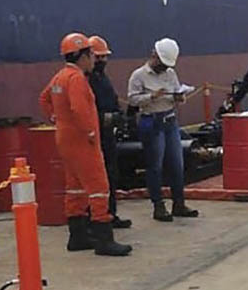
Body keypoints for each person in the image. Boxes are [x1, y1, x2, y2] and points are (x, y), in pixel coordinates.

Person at [39, 32, 132, 256]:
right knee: (99, 188)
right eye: (91, 54)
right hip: (83, 142)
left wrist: (56, 119)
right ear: (82, 56)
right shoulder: (77, 79)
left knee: (75, 188)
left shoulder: (60, 77)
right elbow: (80, 109)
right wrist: (90, 132)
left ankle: (77, 235)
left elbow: (44, 99)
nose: (94, 59)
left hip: (65, 139)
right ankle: (104, 239)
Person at [128, 37, 199, 222]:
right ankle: (158, 206)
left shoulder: (170, 73)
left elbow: (176, 92)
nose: (165, 68)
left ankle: (179, 203)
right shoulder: (138, 76)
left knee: (177, 164)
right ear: (155, 56)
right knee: (155, 166)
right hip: (151, 122)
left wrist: (179, 97)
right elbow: (132, 99)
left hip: (169, 120)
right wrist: (151, 96)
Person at [86, 35, 131, 229]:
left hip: (107, 134)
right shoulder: (83, 79)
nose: (102, 61)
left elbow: (111, 99)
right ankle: (95, 218)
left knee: (111, 174)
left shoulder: (102, 78)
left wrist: (120, 116)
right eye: (98, 57)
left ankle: (110, 214)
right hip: (93, 136)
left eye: (104, 57)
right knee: (96, 179)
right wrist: (106, 118)